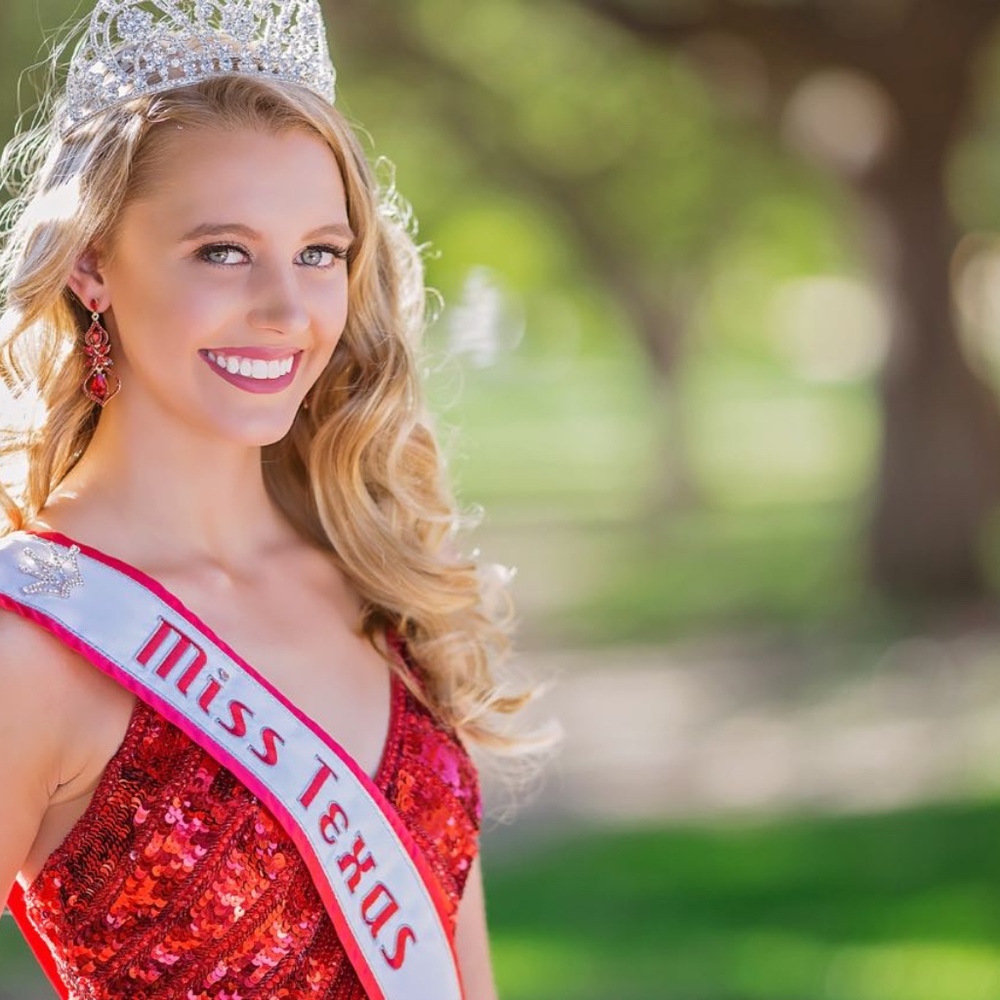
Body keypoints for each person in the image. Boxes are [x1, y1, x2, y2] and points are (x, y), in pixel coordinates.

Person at [0, 2, 533, 997]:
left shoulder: (374, 572)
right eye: (222, 250)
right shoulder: (29, 643)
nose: (288, 313)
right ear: (89, 264)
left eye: (319, 253)